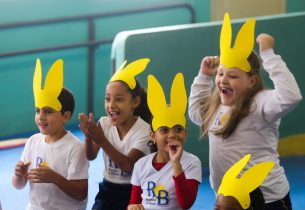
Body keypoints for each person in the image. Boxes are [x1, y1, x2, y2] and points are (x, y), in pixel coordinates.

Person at [188, 13, 302, 210]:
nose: (223, 80)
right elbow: (196, 114)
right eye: (220, 73)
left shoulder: (260, 103)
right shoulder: (217, 106)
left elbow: (291, 96)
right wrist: (204, 77)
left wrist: (269, 55)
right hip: (229, 200)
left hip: (268, 199)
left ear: (251, 80)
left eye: (232, 75)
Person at [12, 59, 89, 210]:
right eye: (37, 110)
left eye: (48, 111)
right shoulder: (33, 141)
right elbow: (18, 185)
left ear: (65, 117)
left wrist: (55, 178)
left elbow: (81, 193)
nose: (40, 117)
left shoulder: (75, 148)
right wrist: (19, 175)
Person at [78, 58, 152, 210]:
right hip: (108, 188)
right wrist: (88, 138)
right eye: (107, 99)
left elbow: (127, 166)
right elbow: (91, 155)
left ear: (135, 102)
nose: (111, 105)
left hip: (133, 191)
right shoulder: (104, 124)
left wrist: (102, 140)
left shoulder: (144, 130)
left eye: (119, 99)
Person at [128, 73, 202, 210]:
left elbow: (186, 203)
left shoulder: (191, 163)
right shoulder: (141, 165)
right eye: (164, 130)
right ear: (153, 136)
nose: (172, 135)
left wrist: (176, 163)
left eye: (178, 129)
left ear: (185, 134)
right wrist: (132, 207)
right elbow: (134, 202)